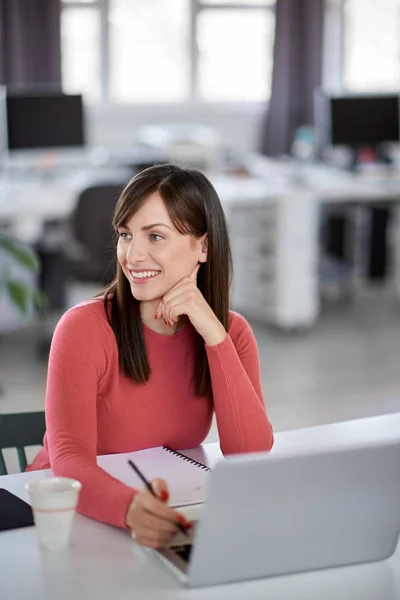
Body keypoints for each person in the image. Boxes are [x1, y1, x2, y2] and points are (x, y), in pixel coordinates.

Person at [27, 163, 274, 548]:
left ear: (203, 246)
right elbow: (70, 461)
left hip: (159, 510)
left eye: (155, 236)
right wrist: (131, 509)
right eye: (126, 235)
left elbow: (250, 452)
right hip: (65, 515)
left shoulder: (231, 333)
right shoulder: (82, 328)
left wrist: (214, 336)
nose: (132, 255)